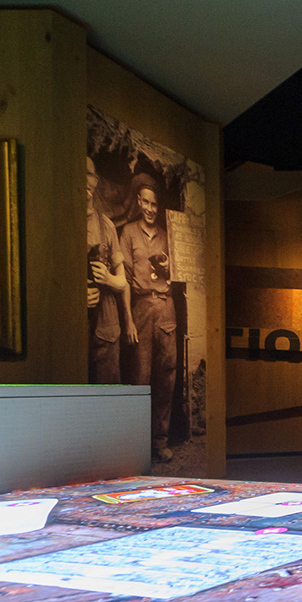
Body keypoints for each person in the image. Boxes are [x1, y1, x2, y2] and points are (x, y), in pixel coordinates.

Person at [120, 172, 177, 463]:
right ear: (138, 202)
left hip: (165, 306)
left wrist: (168, 269)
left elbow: (180, 277)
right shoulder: (128, 232)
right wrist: (128, 320)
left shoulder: (169, 236)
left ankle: (160, 442)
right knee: (140, 377)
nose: (150, 209)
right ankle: (137, 445)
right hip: (141, 307)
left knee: (165, 376)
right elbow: (125, 281)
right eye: (145, 202)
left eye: (154, 204)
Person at [86, 157, 136, 383]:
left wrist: (107, 278)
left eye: (88, 174)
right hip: (74, 324)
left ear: (95, 181)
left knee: (107, 391)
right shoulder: (61, 223)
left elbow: (122, 281)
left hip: (106, 323)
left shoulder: (105, 225)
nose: (84, 181)